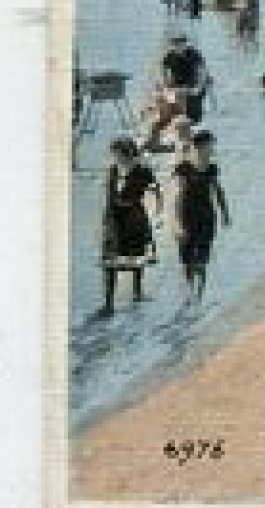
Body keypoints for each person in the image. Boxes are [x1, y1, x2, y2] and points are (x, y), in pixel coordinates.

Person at [97, 136, 162, 316]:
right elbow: (108, 196)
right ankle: (108, 303)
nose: (115, 157)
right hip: (114, 218)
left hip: (134, 217)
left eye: (117, 154)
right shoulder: (112, 171)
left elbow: (156, 190)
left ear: (128, 153)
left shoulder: (142, 171)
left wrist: (158, 213)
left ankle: (137, 293)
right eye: (113, 154)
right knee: (109, 260)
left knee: (136, 256)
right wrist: (105, 221)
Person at [171, 129, 230, 304]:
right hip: (187, 216)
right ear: (201, 146)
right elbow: (178, 196)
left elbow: (218, 191)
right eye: (210, 145)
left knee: (202, 258)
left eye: (212, 146)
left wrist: (225, 213)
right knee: (187, 259)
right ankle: (189, 293)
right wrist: (177, 223)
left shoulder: (212, 168)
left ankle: (199, 295)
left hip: (206, 217)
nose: (212, 149)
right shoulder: (184, 168)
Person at [159, 32, 209, 123]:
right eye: (175, 44)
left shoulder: (194, 54)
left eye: (180, 43)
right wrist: (166, 87)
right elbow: (163, 73)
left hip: (193, 85)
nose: (178, 46)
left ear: (185, 44)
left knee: (194, 112)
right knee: (172, 102)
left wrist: (197, 88)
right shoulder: (169, 56)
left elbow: (202, 72)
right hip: (178, 85)